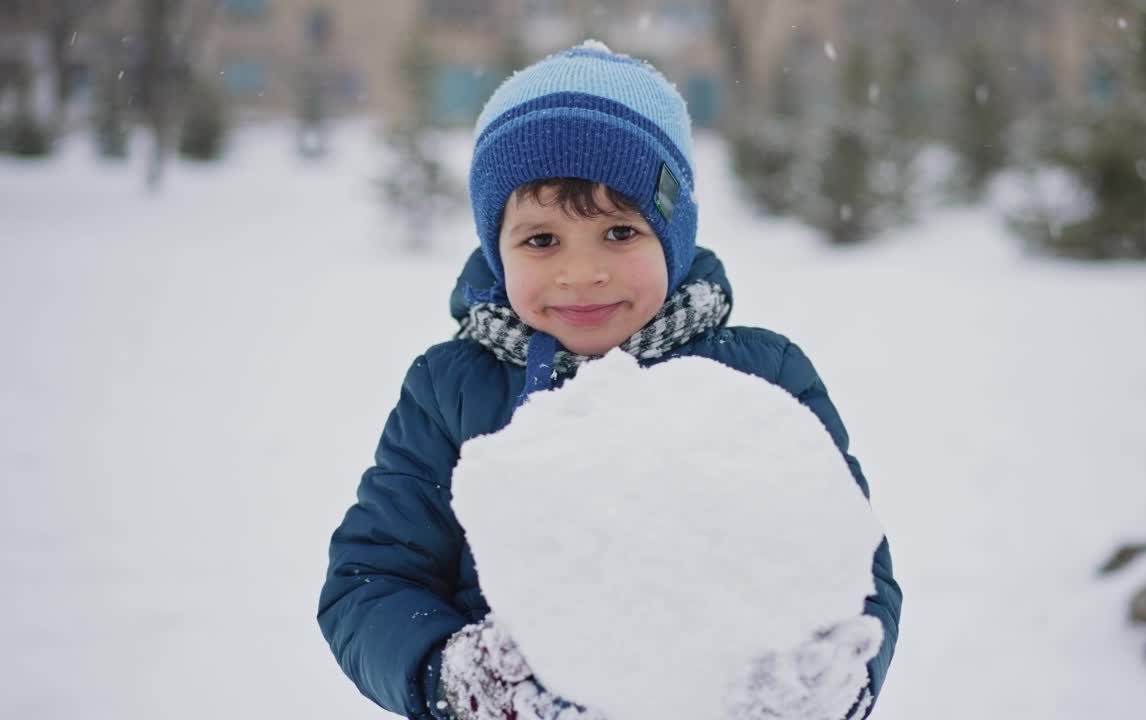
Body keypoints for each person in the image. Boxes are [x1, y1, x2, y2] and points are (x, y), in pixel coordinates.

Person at [317, 41, 902, 720]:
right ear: (496, 247)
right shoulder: (452, 391)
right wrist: (455, 674)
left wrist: (829, 680)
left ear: (671, 238)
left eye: (620, 233)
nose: (582, 272)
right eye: (541, 241)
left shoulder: (760, 377)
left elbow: (848, 562)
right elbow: (372, 579)